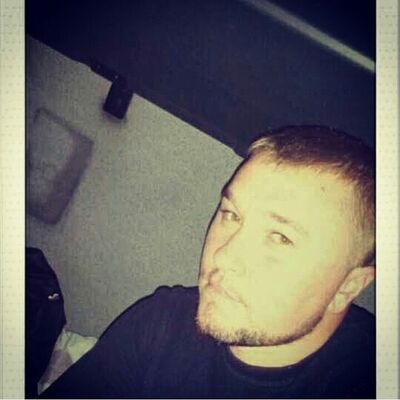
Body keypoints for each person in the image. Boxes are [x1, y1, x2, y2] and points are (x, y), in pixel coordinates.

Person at [40, 125, 375, 399]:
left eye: (280, 237)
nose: (224, 256)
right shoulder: (161, 323)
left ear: (347, 287)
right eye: (231, 214)